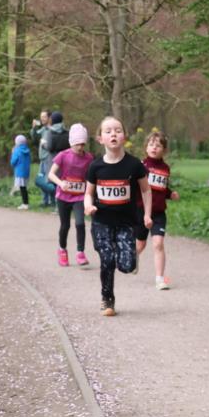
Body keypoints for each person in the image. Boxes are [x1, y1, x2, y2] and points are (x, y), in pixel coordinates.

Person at [84, 116, 153, 316]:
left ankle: (132, 258)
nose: (113, 134)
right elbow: (88, 193)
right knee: (107, 259)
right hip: (101, 222)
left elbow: (146, 190)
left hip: (126, 223)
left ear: (124, 136)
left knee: (126, 266)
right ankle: (107, 300)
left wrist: (147, 215)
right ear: (100, 139)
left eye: (117, 130)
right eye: (108, 131)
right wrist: (88, 206)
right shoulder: (95, 166)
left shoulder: (134, 165)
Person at [135, 129, 179, 289]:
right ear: (146, 147)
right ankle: (132, 258)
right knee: (140, 245)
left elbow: (162, 188)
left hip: (159, 212)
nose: (154, 148)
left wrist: (170, 194)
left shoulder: (165, 168)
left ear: (164, 150)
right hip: (141, 210)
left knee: (158, 244)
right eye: (151, 144)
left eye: (158, 145)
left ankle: (160, 279)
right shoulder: (141, 166)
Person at [49, 122, 93, 267]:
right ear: (71, 142)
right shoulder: (63, 155)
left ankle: (80, 253)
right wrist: (61, 183)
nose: (80, 147)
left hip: (79, 196)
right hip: (63, 196)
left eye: (82, 144)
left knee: (80, 223)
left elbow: (91, 176)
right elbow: (51, 174)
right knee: (65, 225)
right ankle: (62, 250)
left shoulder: (89, 158)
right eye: (77, 144)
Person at [10, 135, 32, 210]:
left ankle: (25, 203)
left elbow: (13, 162)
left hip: (19, 172)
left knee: (22, 188)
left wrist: (13, 153)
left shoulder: (17, 150)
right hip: (26, 171)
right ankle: (25, 203)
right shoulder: (27, 150)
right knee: (24, 187)